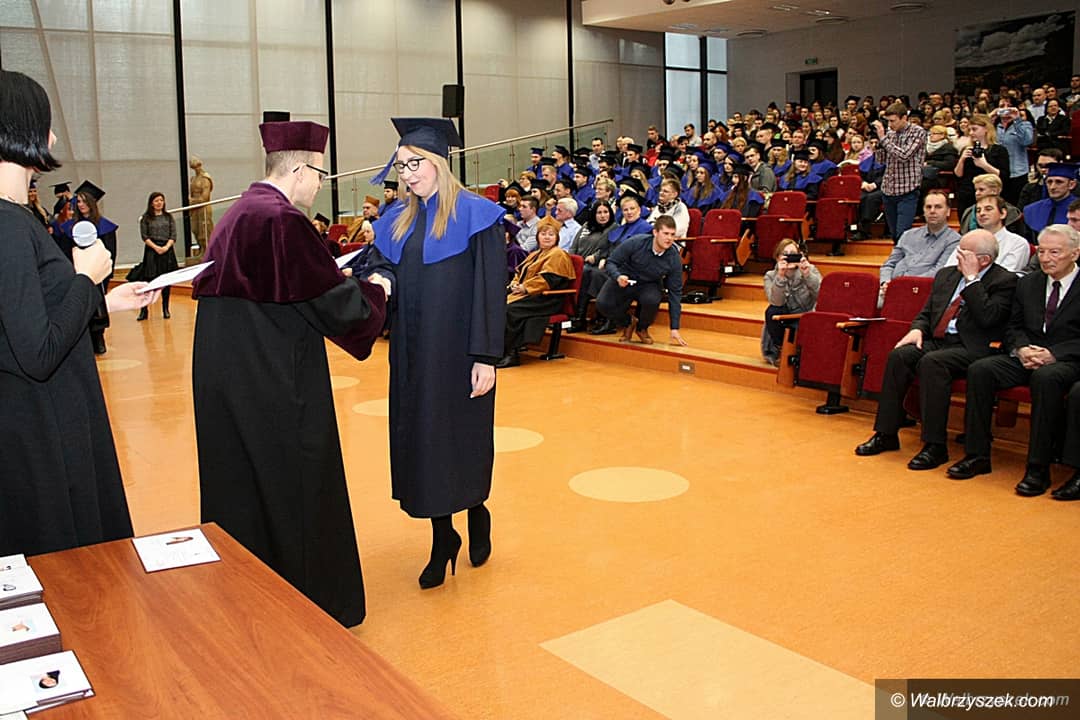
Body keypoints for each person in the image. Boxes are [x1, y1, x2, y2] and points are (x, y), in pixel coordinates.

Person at [192, 117, 387, 626]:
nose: (320, 186)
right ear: (300, 170)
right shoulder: (281, 220)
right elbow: (336, 305)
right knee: (297, 488)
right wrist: (379, 292)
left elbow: (289, 283)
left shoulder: (240, 212)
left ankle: (253, 597)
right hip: (276, 383)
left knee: (246, 490)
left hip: (231, 381)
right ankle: (313, 606)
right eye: (320, 176)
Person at [0, 69, 157, 558]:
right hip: (41, 428)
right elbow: (37, 352)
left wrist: (105, 301)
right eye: (44, 124)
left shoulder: (15, 218)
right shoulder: (9, 226)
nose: (51, 138)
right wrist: (86, 279)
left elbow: (27, 314)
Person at [364, 118, 505, 590]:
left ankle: (477, 511)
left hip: (461, 354)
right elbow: (381, 266)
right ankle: (443, 536)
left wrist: (485, 356)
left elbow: (490, 290)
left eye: (415, 164)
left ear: (440, 163)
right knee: (424, 442)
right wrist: (379, 280)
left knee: (462, 440)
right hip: (412, 352)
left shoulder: (478, 215)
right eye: (401, 166)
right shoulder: (396, 219)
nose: (407, 174)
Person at [855, 230, 1017, 469]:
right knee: (900, 355)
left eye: (964, 252)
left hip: (974, 346)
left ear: (984, 260)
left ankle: (935, 445)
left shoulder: (1004, 281)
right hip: (940, 340)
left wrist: (972, 280)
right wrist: (917, 329)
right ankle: (886, 433)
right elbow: (927, 312)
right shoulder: (946, 275)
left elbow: (988, 317)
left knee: (933, 362)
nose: (958, 255)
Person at [948, 224, 1080, 492]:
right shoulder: (1028, 283)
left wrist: (1054, 354)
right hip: (1028, 354)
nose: (1046, 258)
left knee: (1046, 377)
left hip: (1069, 359)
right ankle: (977, 455)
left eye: (1054, 252)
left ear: (1075, 253)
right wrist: (1020, 349)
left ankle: (1038, 468)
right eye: (1041, 252)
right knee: (981, 370)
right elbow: (1013, 327)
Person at [497, 216, 576, 368]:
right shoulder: (535, 254)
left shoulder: (558, 254)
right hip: (530, 295)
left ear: (557, 237)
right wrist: (515, 284)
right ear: (538, 236)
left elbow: (549, 280)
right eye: (543, 234)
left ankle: (511, 353)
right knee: (496, 305)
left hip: (547, 299)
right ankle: (498, 350)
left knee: (510, 310)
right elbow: (519, 273)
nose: (547, 237)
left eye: (551, 234)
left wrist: (525, 288)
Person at [596, 215, 687, 346]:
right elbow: (611, 262)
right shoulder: (636, 242)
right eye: (665, 233)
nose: (669, 238)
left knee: (652, 299)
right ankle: (628, 322)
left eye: (672, 235)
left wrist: (674, 328)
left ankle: (642, 328)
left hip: (649, 283)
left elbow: (675, 292)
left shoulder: (674, 258)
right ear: (655, 232)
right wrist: (617, 276)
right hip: (625, 277)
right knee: (602, 303)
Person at [60, 181, 118, 355]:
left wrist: (105, 275)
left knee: (97, 307)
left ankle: (99, 339)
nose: (81, 205)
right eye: (78, 201)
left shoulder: (105, 227)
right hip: (77, 275)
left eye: (85, 201)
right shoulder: (69, 228)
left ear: (92, 203)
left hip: (97, 276)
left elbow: (110, 253)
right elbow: (64, 253)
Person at [878, 190, 960, 305]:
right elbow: (889, 264)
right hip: (891, 289)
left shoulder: (955, 240)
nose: (932, 211)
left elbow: (938, 272)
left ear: (948, 211)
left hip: (922, 294)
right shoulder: (908, 235)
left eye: (938, 207)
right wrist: (885, 282)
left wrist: (902, 285)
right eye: (928, 207)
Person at [872, 102, 928, 241]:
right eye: (888, 121)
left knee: (903, 234)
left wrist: (883, 139)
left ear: (904, 118)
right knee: (894, 234)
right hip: (888, 189)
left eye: (893, 121)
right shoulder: (890, 134)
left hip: (907, 189)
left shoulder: (918, 132)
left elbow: (904, 155)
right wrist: (878, 145)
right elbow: (881, 160)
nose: (890, 125)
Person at [761, 240, 821, 367]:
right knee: (771, 311)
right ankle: (781, 349)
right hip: (784, 316)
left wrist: (807, 275)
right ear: (778, 257)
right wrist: (781, 276)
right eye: (785, 254)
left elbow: (821, 295)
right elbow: (776, 302)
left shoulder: (810, 269)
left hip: (805, 315)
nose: (789, 257)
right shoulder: (770, 276)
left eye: (793, 254)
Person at [568, 201, 616, 332]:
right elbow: (574, 246)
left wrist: (597, 257)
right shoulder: (586, 226)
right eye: (599, 212)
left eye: (605, 212)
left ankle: (580, 317)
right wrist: (571, 260)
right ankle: (576, 317)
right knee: (580, 272)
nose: (602, 215)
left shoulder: (614, 228)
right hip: (580, 263)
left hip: (600, 266)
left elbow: (610, 249)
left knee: (588, 273)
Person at [953, 114, 1010, 217]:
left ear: (986, 129)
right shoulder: (966, 149)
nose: (971, 133)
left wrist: (984, 165)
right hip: (967, 194)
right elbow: (958, 174)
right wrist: (962, 159)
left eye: (974, 129)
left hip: (989, 195)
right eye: (969, 130)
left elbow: (1003, 175)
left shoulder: (999, 150)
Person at [136, 191, 178, 320]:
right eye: (156, 201)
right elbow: (144, 236)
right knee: (149, 281)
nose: (159, 203)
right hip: (151, 250)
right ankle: (144, 310)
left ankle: (165, 308)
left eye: (161, 200)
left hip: (167, 250)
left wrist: (166, 247)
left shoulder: (169, 217)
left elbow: (173, 235)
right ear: (151, 203)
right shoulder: (146, 218)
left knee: (166, 280)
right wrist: (156, 248)